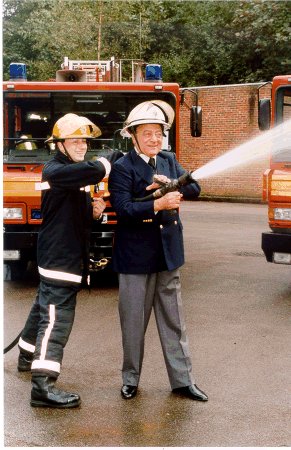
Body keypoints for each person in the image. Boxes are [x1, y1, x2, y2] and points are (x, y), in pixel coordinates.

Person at [108, 100, 208, 401]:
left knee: (174, 321)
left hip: (168, 254)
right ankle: (130, 379)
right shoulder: (122, 167)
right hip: (135, 258)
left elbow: (195, 189)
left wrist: (172, 181)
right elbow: (123, 210)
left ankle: (183, 381)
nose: (154, 139)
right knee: (133, 323)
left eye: (159, 133)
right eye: (147, 133)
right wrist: (157, 204)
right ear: (133, 136)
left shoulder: (168, 159)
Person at [17, 113, 111, 408]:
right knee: (56, 320)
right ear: (59, 144)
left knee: (43, 308)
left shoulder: (71, 170)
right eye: (75, 140)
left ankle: (26, 354)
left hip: (59, 255)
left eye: (84, 140)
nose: (82, 145)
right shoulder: (57, 170)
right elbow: (96, 169)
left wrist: (94, 213)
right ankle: (42, 387)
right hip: (61, 258)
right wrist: (111, 159)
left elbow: (71, 214)